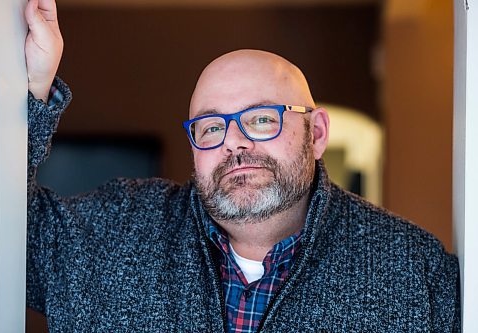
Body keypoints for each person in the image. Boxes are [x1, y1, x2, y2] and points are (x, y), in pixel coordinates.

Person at [25, 0, 460, 332]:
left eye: (261, 119)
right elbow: (0, 234)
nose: (234, 141)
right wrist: (30, 90)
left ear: (319, 134)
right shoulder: (113, 231)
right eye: (211, 127)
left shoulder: (413, 270)